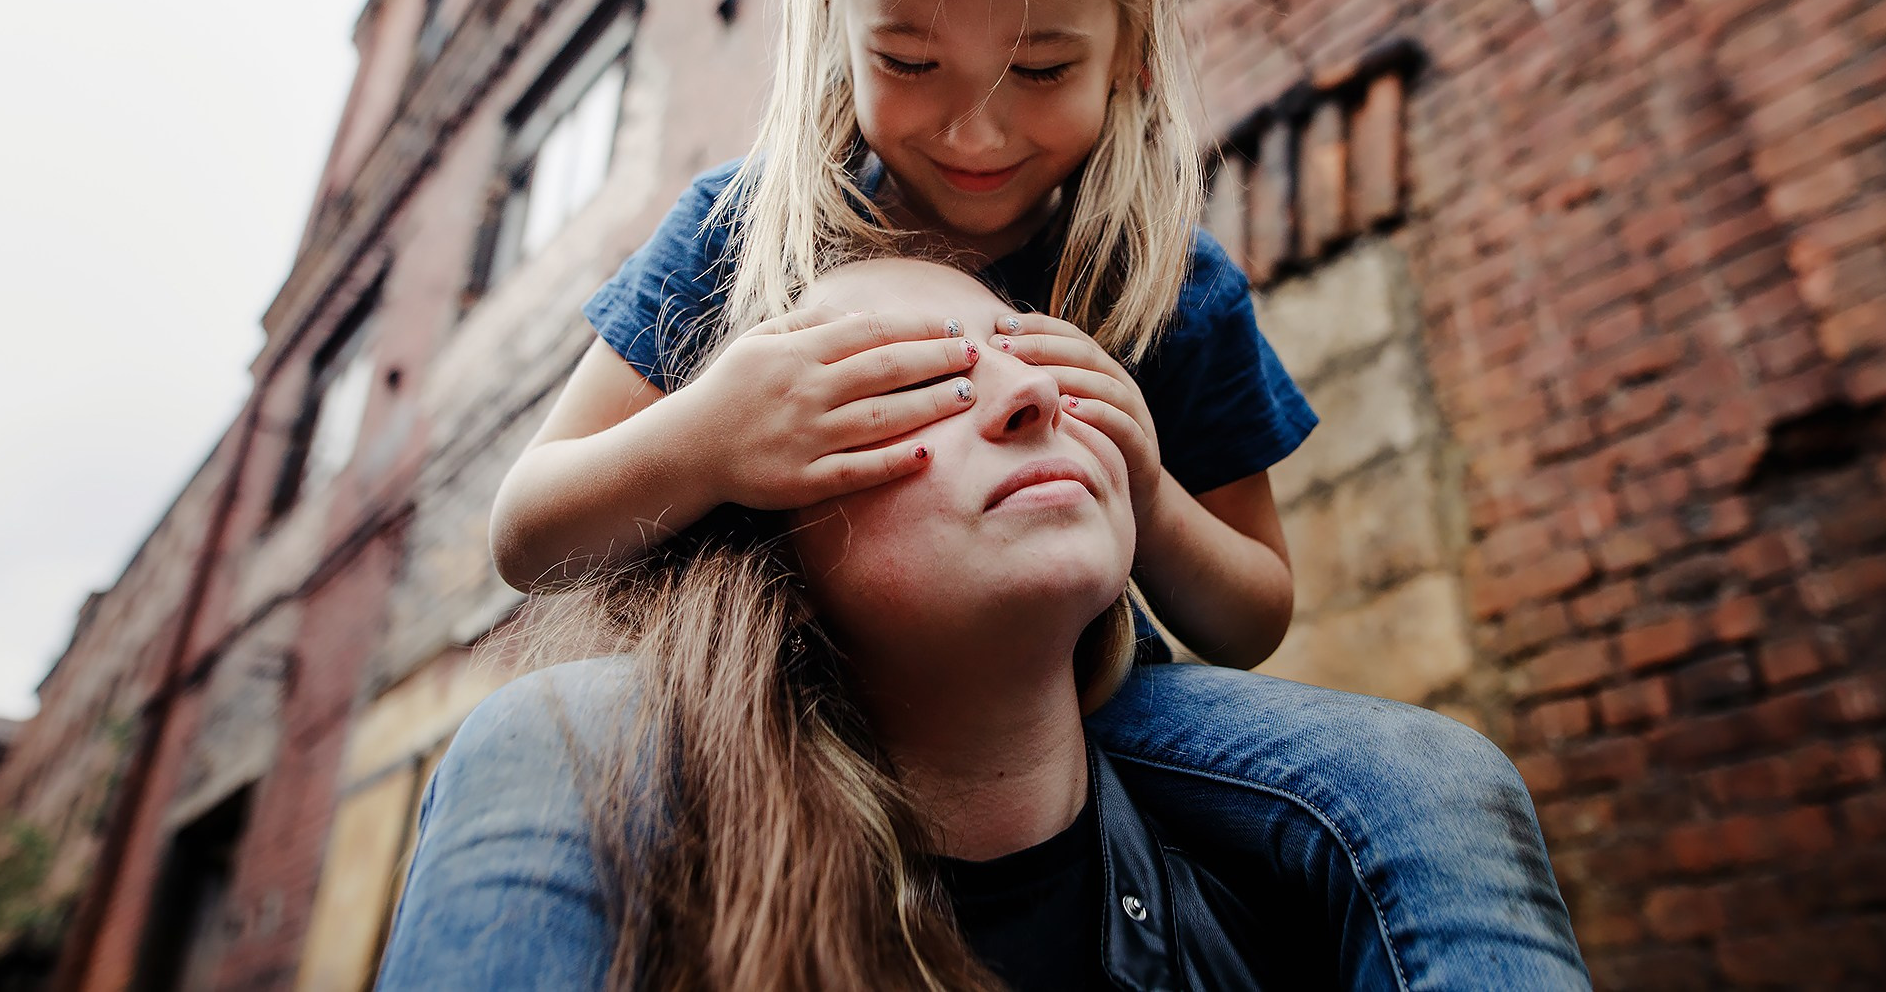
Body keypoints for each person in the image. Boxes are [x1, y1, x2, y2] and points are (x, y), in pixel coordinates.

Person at [484, 0, 1589, 988]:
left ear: (1129, 44)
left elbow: (1253, 614)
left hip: (1091, 704)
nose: (975, 128)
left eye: (1041, 67)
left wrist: (1146, 492)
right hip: (772, 688)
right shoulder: (740, 233)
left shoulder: (1163, 281)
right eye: (908, 60)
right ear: (833, 10)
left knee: (1428, 778)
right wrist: (710, 436)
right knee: (534, 740)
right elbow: (527, 531)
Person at [380, 259, 1429, 989]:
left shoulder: (1322, 927)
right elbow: (524, 529)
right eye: (919, 383)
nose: (1032, 396)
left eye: (1048, 359)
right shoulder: (616, 901)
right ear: (773, 552)